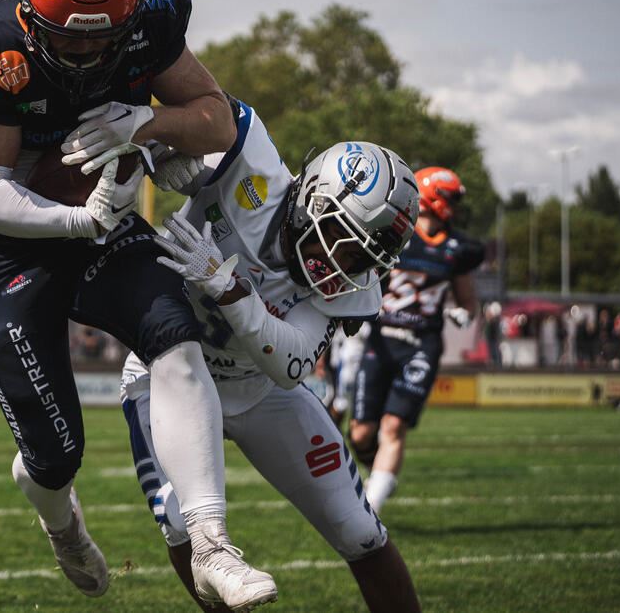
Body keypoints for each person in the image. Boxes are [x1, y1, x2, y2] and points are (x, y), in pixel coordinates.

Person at [0, 0, 275, 608]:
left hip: (103, 220)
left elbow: (217, 120)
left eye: (101, 39)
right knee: (54, 459)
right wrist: (77, 221)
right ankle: (60, 523)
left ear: (129, 12)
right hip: (12, 246)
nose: (85, 55)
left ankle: (211, 544)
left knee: (175, 335)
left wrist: (149, 123)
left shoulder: (153, 12)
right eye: (68, 38)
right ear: (28, 13)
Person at [120, 98, 422, 612]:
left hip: (259, 392)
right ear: (316, 203)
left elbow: (290, 366)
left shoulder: (350, 286)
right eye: (346, 246)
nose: (344, 268)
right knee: (180, 523)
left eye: (363, 259)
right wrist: (163, 145)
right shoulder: (253, 170)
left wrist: (234, 294)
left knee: (358, 528)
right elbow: (206, 111)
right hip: (167, 373)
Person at [349, 166, 483, 513]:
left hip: (422, 343)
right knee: (361, 433)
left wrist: (464, 314)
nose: (453, 206)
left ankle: (370, 511)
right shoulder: (395, 233)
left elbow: (468, 301)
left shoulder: (457, 247)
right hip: (382, 338)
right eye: (450, 198)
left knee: (394, 425)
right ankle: (377, 470)